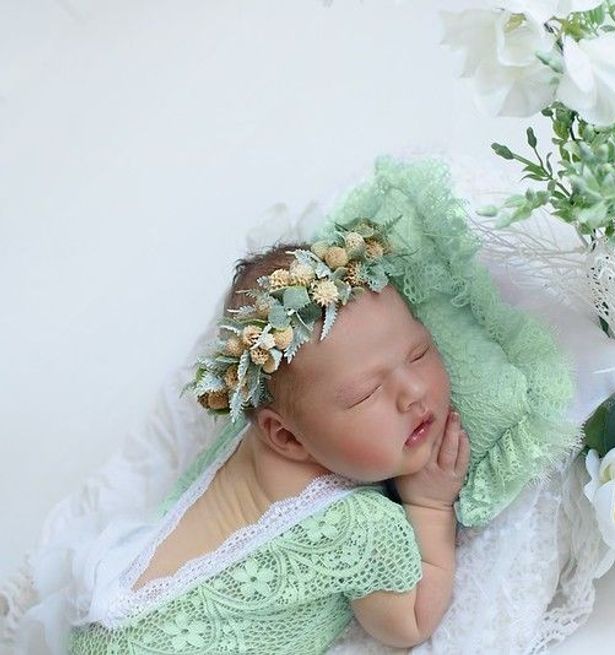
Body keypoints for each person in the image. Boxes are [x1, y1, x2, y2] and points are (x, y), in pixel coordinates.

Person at [67, 226, 471, 653]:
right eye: (366, 393)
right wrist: (429, 505)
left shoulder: (248, 437)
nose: (412, 391)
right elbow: (409, 622)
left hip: (105, 624)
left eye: (419, 353)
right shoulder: (361, 527)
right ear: (285, 436)